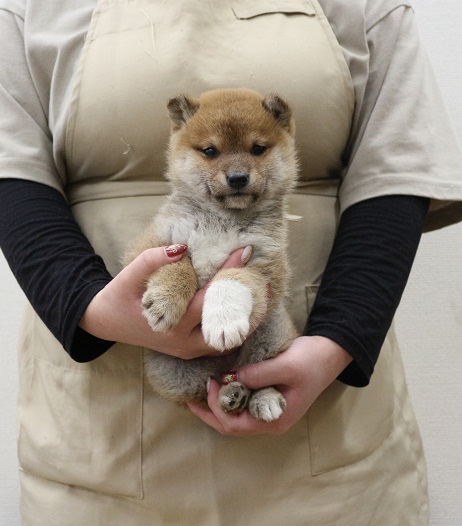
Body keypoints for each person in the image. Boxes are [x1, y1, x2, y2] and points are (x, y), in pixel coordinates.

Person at [1, 0, 461, 524]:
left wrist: (338, 341)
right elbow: (12, 169)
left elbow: (396, 168)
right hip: (107, 411)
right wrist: (91, 307)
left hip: (321, 408)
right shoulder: (31, 8)